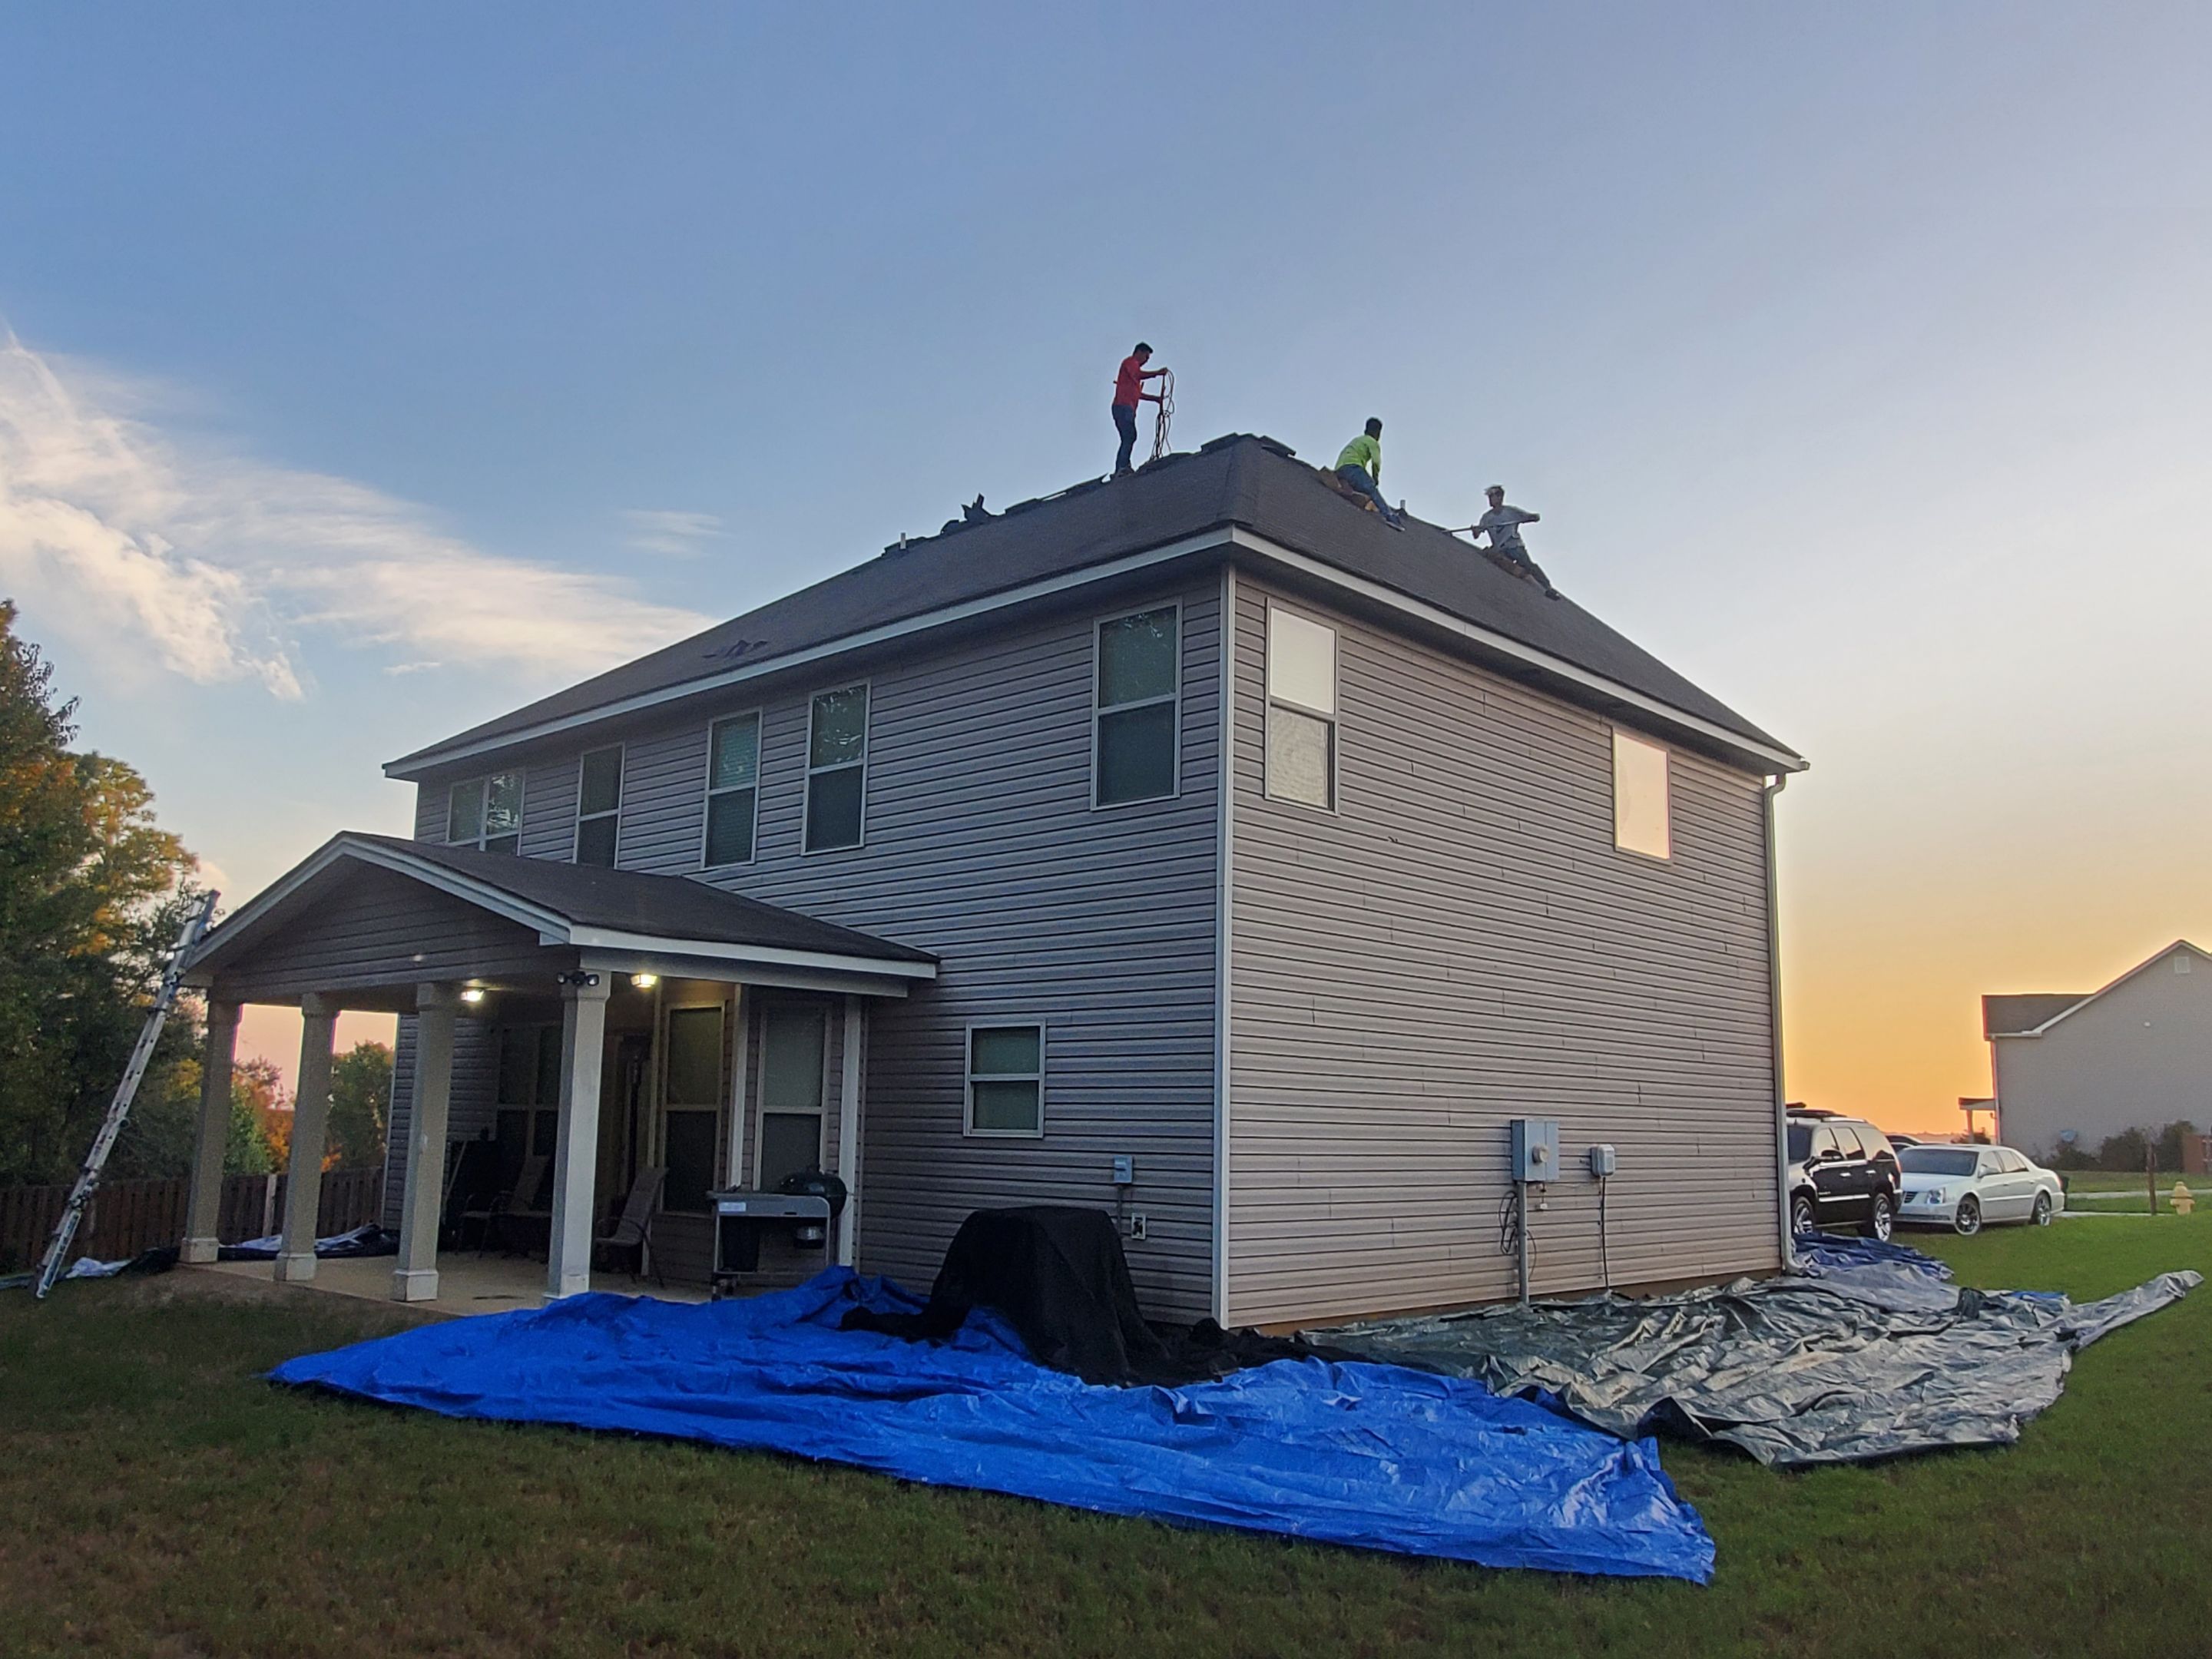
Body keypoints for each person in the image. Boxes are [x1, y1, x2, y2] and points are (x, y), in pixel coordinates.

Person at [1474, 484, 1557, 598]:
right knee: (1500, 562)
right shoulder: (1487, 518)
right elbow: (1478, 534)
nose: (1490, 499)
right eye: (1489, 497)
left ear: (1500, 497)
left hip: (1514, 546)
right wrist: (1475, 531)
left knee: (1528, 565)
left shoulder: (1511, 512)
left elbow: (1530, 517)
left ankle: (1547, 588)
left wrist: (1533, 517)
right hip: (1500, 548)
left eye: (1492, 496)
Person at [1111, 343, 1169, 475]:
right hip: (1123, 406)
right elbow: (1138, 374)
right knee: (1130, 435)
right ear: (1139, 352)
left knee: (1128, 437)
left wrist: (1156, 399)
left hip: (1125, 408)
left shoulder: (1133, 376)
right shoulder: (1131, 362)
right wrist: (1158, 373)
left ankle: (1121, 467)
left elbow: (1138, 394)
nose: (1147, 360)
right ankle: (1122, 467)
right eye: (1146, 356)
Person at [1334, 418, 1402, 527]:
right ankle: (1390, 516)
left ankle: (1350, 491)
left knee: (1358, 483)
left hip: (1340, 469)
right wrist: (1375, 479)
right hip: (1353, 467)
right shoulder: (1372, 442)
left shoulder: (1357, 440)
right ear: (1378, 433)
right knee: (1371, 489)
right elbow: (1376, 462)